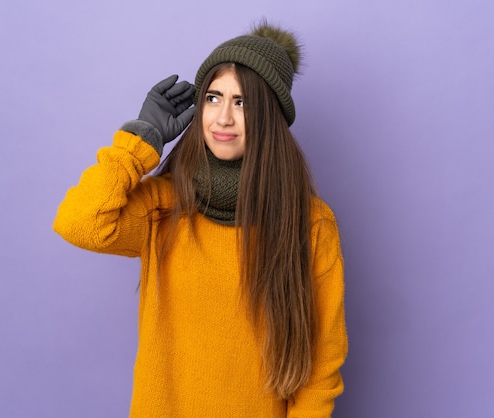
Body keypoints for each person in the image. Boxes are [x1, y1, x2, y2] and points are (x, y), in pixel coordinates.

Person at [53, 20, 347, 418]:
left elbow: (321, 367)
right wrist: (142, 139)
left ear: (269, 117)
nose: (223, 118)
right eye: (213, 98)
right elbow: (78, 222)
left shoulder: (309, 224)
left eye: (241, 103)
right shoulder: (164, 205)